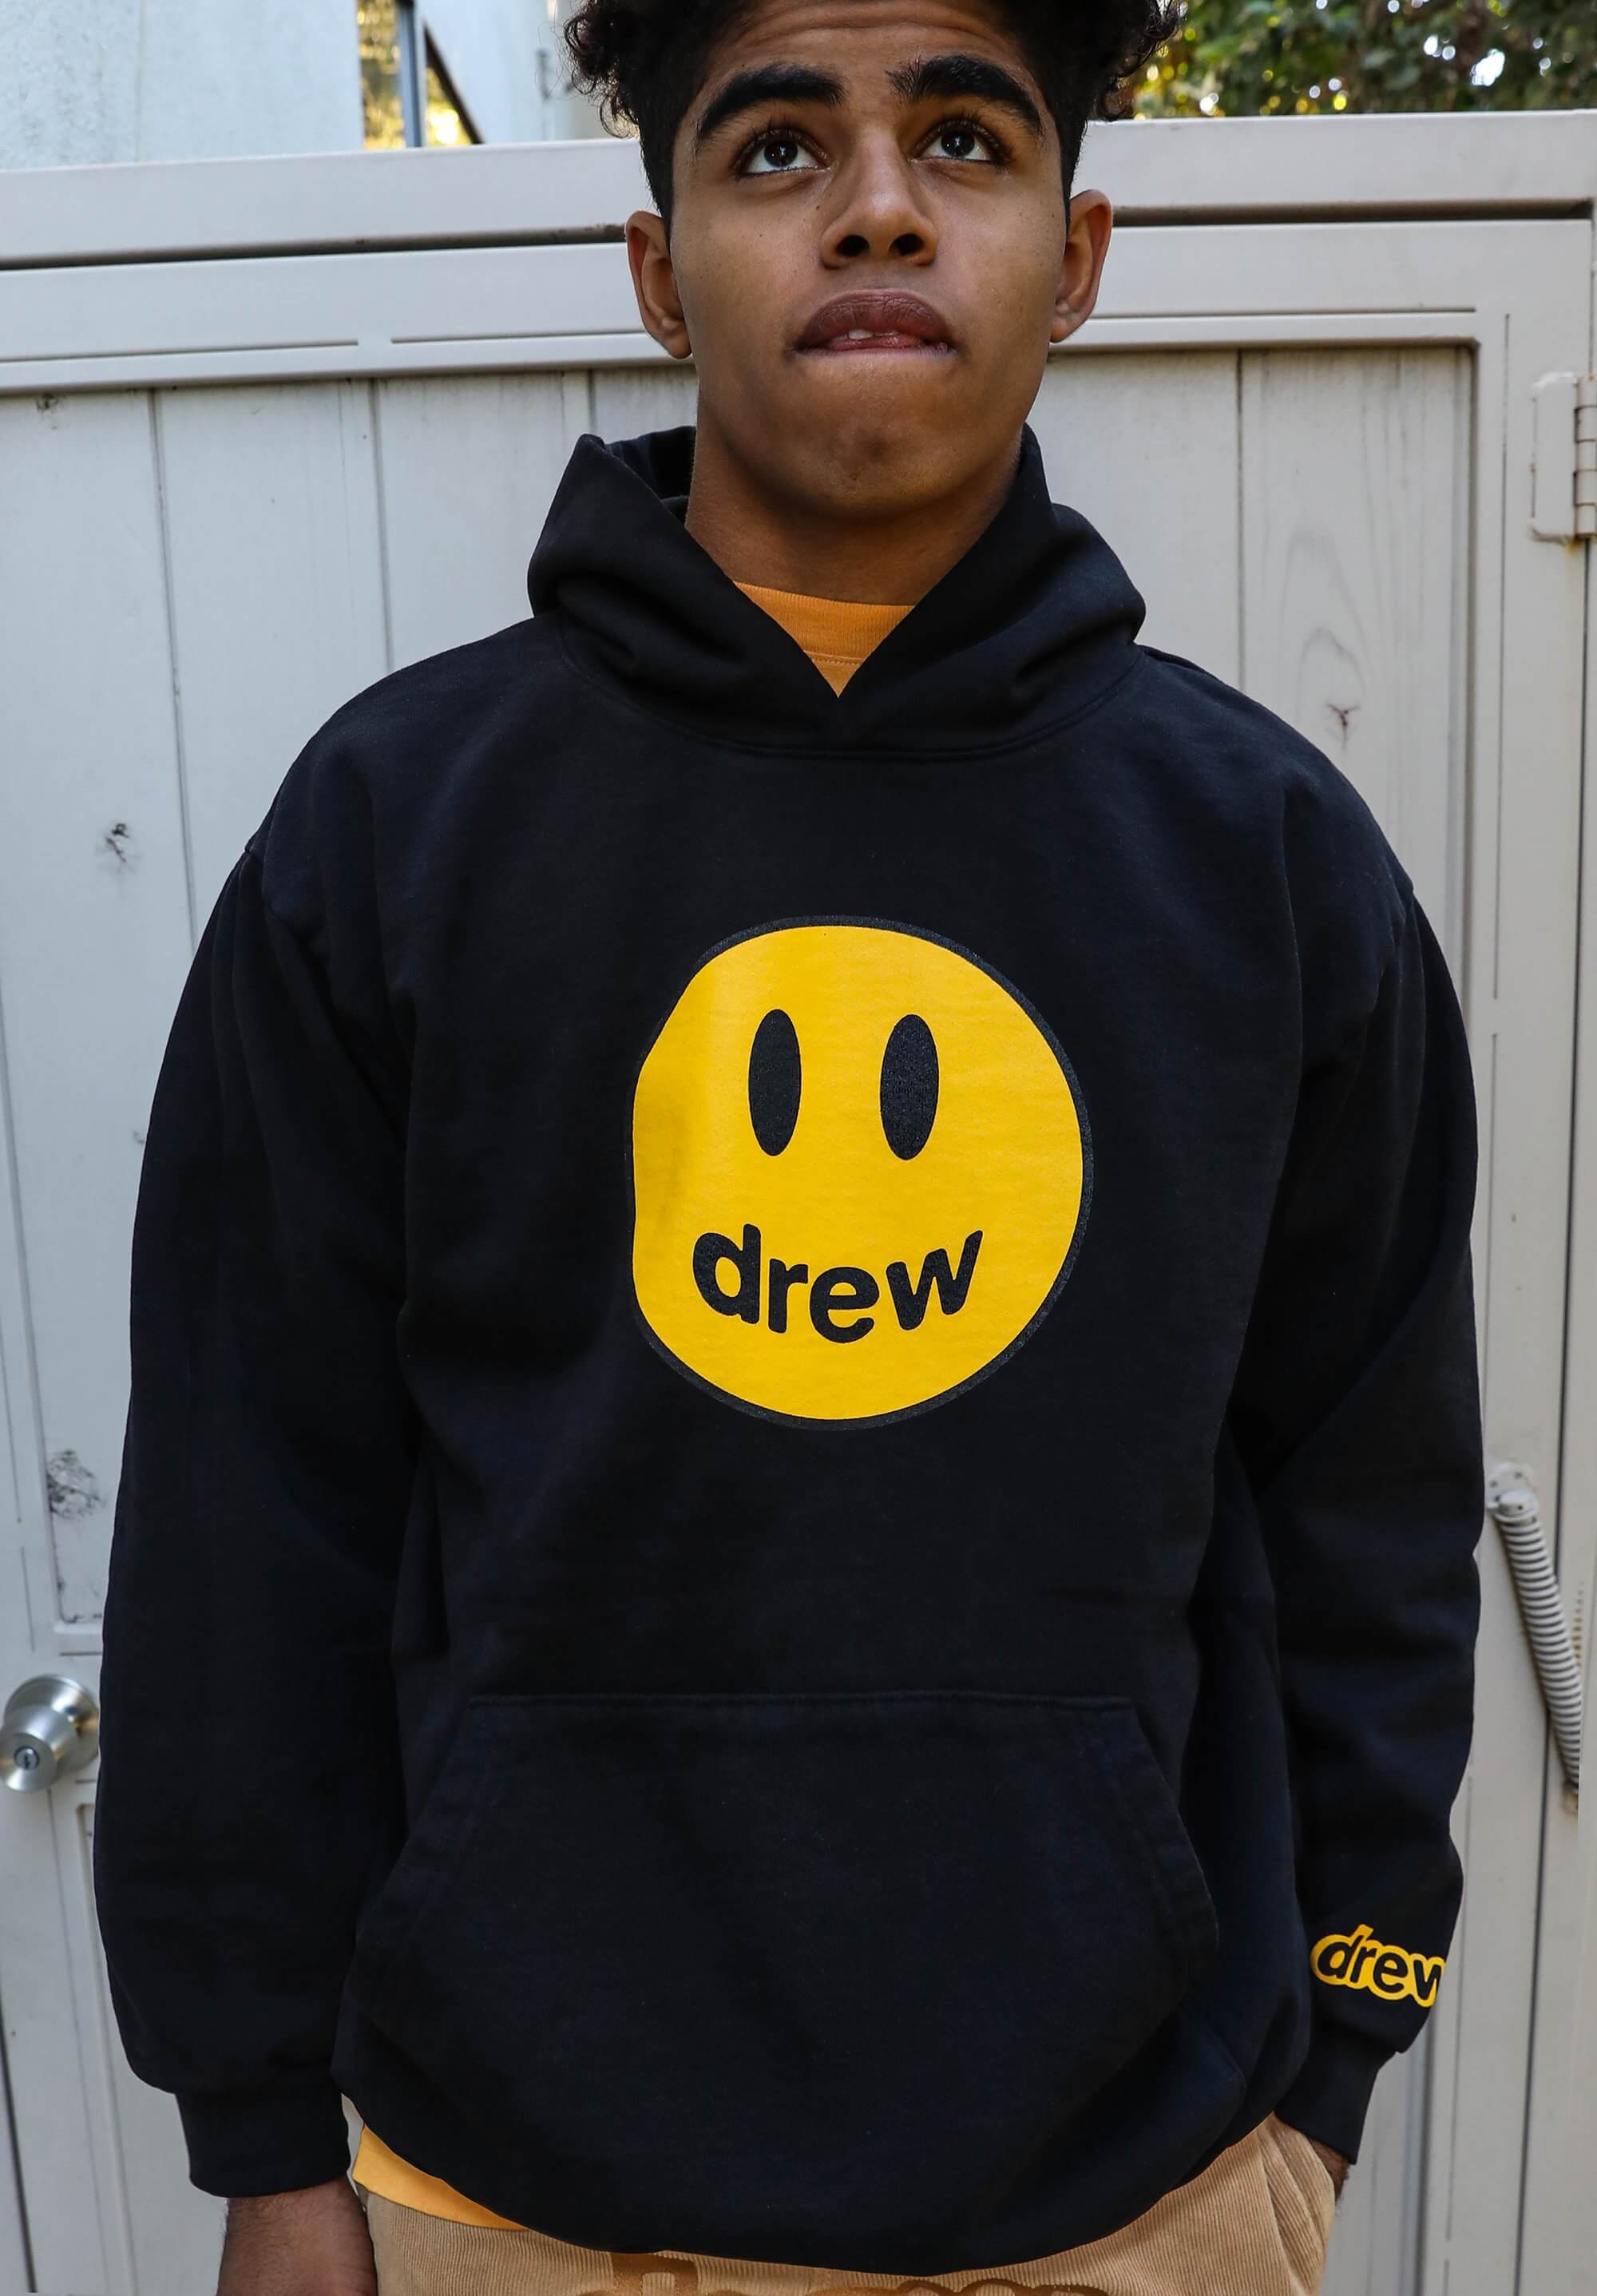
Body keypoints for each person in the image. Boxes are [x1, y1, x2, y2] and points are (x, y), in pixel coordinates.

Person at [92, 3, 1485, 2293]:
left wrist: (1342, 2049)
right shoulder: (397, 835)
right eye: (776, 147)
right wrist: (259, 2133)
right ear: (659, 272)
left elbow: (1378, 1516)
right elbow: (253, 1518)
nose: (876, 206)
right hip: (496, 2202)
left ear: (1079, 255)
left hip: (1141, 2199)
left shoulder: (1267, 863)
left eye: (964, 137)